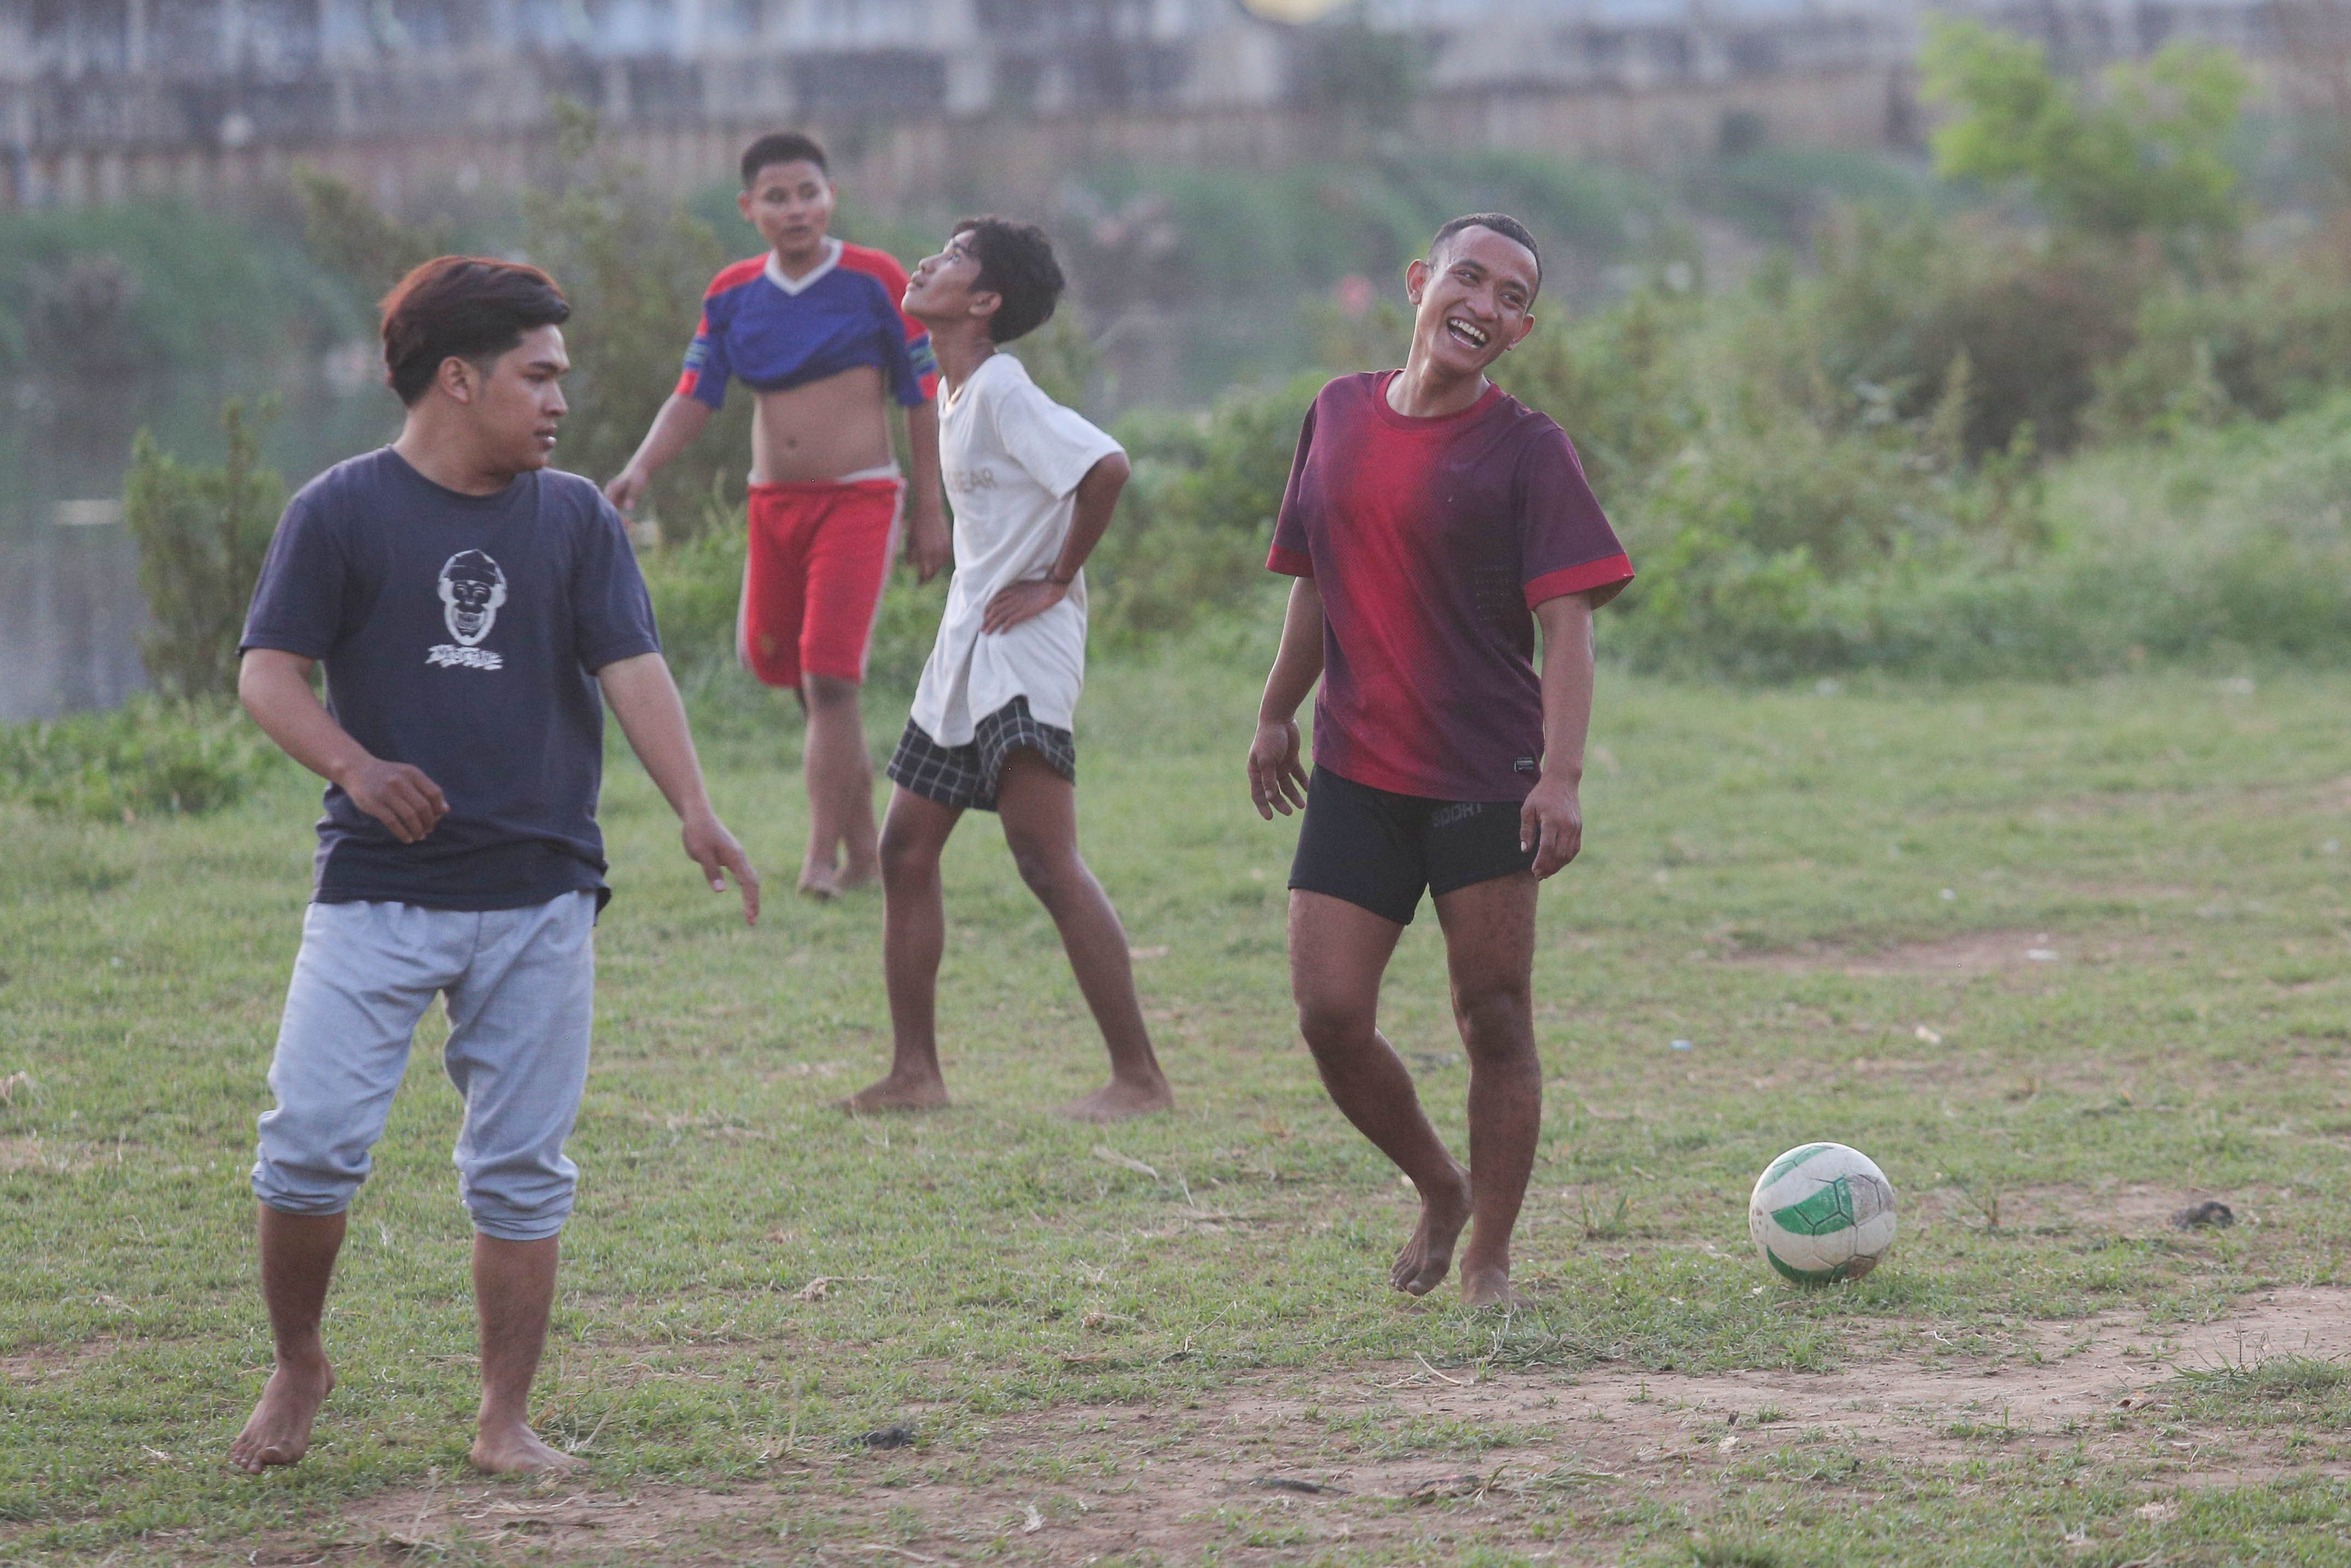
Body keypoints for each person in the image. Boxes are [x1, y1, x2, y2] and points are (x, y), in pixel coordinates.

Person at [231, 256, 760, 1475]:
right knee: (308, 1142)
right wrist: (356, 767)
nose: (561, 401)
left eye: (561, 378)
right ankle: (301, 1359)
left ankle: (502, 1420)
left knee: (520, 1170)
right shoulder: (341, 509)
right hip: (375, 890)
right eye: (539, 375)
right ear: (459, 379)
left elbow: (632, 667)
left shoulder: (576, 516)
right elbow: (270, 673)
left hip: (541, 892)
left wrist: (695, 805)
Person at [1246, 215, 1632, 1307]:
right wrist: (1278, 712)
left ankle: (1492, 1258)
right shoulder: (1336, 412)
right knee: (1329, 1015)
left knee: (1495, 1018)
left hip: (1485, 776)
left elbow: (1568, 626)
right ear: (1421, 284)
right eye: (1471, 277)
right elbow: (1313, 578)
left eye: (1513, 296)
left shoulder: (1529, 449)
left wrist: (1558, 776)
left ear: (1519, 331)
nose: (1486, 303)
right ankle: (1438, 1181)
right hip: (1358, 769)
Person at [843, 217, 1174, 1123]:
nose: (924, 264)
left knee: (1045, 857)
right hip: (967, 646)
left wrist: (1056, 578)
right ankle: (915, 1075)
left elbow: (1104, 466)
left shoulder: (1000, 388)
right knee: (904, 849)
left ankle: (1140, 1079)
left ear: (984, 302)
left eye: (950, 260)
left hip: (1022, 650)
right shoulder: (954, 393)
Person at [606, 131, 949, 900]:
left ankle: (819, 860)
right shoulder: (731, 292)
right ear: (748, 208)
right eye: (777, 197)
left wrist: (931, 508)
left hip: (861, 499)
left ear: (830, 197)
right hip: (774, 506)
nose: (795, 209)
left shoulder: (874, 279)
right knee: (797, 678)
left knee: (828, 678)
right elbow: (695, 394)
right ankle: (868, 855)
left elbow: (921, 398)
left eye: (808, 193)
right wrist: (638, 468)